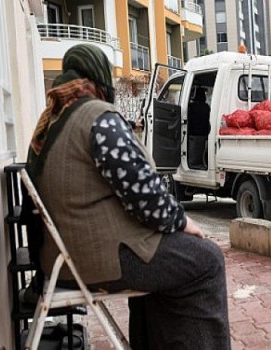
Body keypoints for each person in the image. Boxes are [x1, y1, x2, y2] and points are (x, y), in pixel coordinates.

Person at [25, 44, 231, 349]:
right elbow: (142, 191)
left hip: (61, 257)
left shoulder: (53, 120)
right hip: (93, 260)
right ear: (98, 77)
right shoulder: (96, 115)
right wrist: (181, 221)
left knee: (164, 267)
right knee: (206, 261)